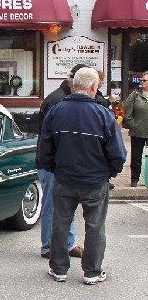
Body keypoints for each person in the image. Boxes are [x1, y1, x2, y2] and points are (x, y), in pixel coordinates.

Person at [37, 67, 126, 284]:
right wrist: (111, 172)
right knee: (95, 226)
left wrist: (52, 168)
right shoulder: (103, 114)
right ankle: (92, 272)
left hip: (64, 178)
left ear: (73, 85)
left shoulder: (56, 111)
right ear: (93, 88)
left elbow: (44, 148)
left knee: (60, 223)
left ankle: (59, 269)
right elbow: (118, 153)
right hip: (95, 180)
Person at [35, 63, 87, 260]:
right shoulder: (57, 100)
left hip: (58, 161)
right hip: (52, 162)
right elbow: (52, 137)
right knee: (52, 205)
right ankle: (49, 246)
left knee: (66, 204)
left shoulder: (61, 98)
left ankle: (68, 243)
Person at [123, 71, 148, 187]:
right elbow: (127, 112)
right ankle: (135, 179)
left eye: (144, 81)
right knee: (136, 157)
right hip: (138, 131)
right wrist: (133, 124)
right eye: (141, 80)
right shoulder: (135, 95)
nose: (142, 83)